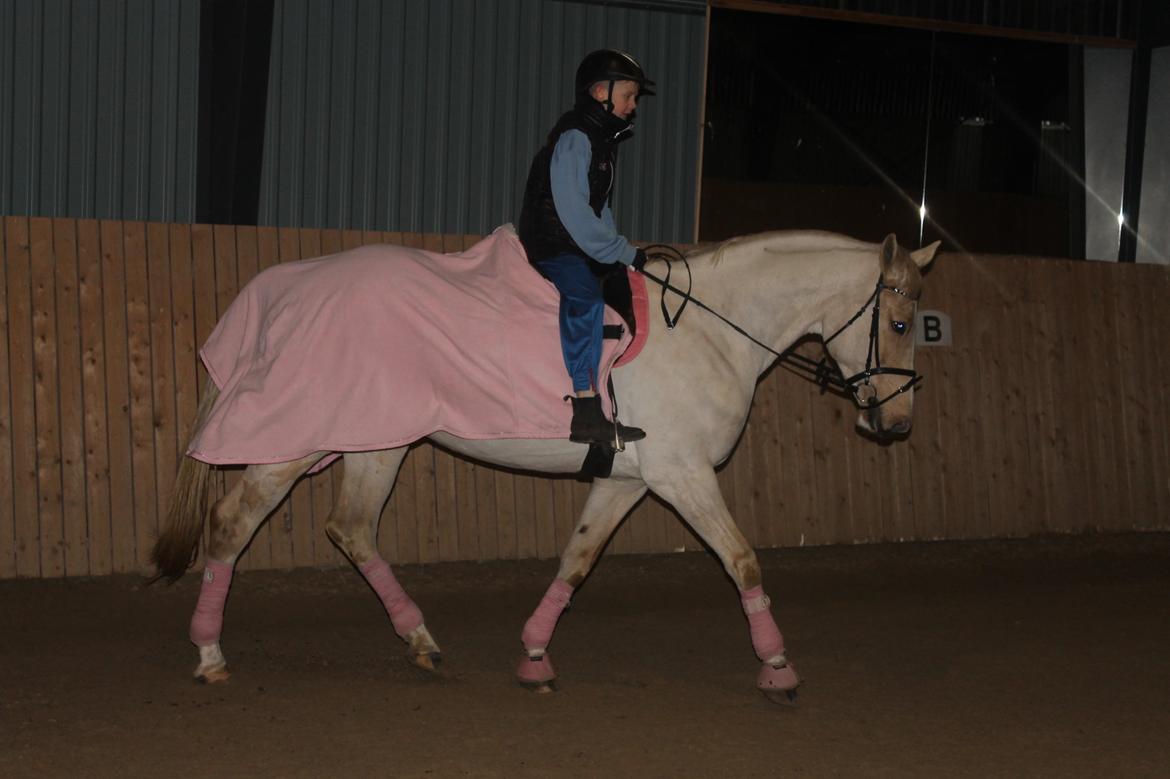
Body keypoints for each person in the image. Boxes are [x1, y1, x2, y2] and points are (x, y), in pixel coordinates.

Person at [518, 49, 654, 447]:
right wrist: (620, 251)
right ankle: (585, 409)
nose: (633, 105)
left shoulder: (602, 140)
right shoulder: (576, 137)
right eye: (628, 95)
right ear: (600, 93)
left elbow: (600, 208)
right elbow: (575, 211)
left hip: (575, 241)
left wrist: (619, 251)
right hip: (553, 242)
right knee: (586, 300)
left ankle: (615, 403)